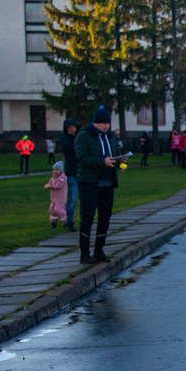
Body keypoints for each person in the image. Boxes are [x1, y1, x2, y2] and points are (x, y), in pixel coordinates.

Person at [74, 105, 124, 265]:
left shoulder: (110, 137)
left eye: (108, 124)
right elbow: (82, 158)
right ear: (95, 123)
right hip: (90, 182)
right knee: (87, 217)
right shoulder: (84, 136)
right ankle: (84, 252)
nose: (106, 126)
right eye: (103, 123)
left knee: (105, 217)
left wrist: (119, 160)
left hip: (108, 183)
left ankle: (99, 250)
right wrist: (102, 162)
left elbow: (114, 153)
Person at [59, 118, 80, 231]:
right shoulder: (64, 139)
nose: (73, 130)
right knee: (72, 199)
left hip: (81, 172)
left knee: (83, 198)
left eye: (74, 128)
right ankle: (69, 221)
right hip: (71, 173)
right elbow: (69, 147)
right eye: (70, 128)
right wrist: (76, 137)